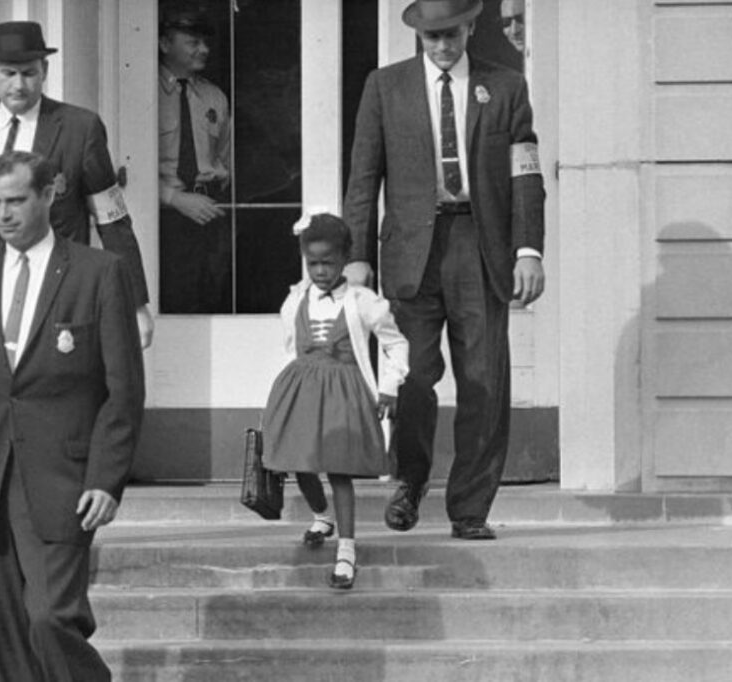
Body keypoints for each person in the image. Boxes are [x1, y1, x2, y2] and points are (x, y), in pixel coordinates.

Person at [0, 151, 145, 681]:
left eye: (16, 200)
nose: (3, 214)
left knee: (51, 618)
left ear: (49, 194)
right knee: (7, 640)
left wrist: (106, 479)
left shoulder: (99, 272)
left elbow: (124, 392)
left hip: (64, 484)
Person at [342, 0, 546, 541]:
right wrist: (357, 256)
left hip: (480, 246)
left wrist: (528, 249)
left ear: (471, 27)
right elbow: (363, 177)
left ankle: (470, 507)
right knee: (411, 375)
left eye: (451, 34)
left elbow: (525, 174)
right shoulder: (385, 87)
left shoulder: (505, 87)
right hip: (412, 253)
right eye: (431, 37)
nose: (442, 46)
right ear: (418, 35)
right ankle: (410, 481)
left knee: (483, 380)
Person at [0, 20, 154, 348]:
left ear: (45, 70)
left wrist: (135, 303)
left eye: (29, 73)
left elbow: (112, 220)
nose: (18, 85)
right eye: (8, 73)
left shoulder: (80, 129)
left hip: (57, 299)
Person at [262, 212, 408, 589]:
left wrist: (390, 386)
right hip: (302, 389)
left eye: (328, 262)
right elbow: (291, 346)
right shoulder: (296, 300)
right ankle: (321, 515)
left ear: (345, 259)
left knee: (339, 469)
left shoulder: (363, 302)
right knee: (300, 462)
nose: (321, 271)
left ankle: (346, 549)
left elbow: (396, 343)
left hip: (343, 392)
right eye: (313, 263)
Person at [158, 9, 233, 313]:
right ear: (165, 44)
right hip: (163, 218)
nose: (204, 49)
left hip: (208, 215)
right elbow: (129, 167)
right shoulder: (144, 93)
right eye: (193, 42)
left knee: (211, 301)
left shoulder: (214, 97)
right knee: (172, 303)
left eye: (205, 42)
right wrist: (174, 198)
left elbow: (224, 158)